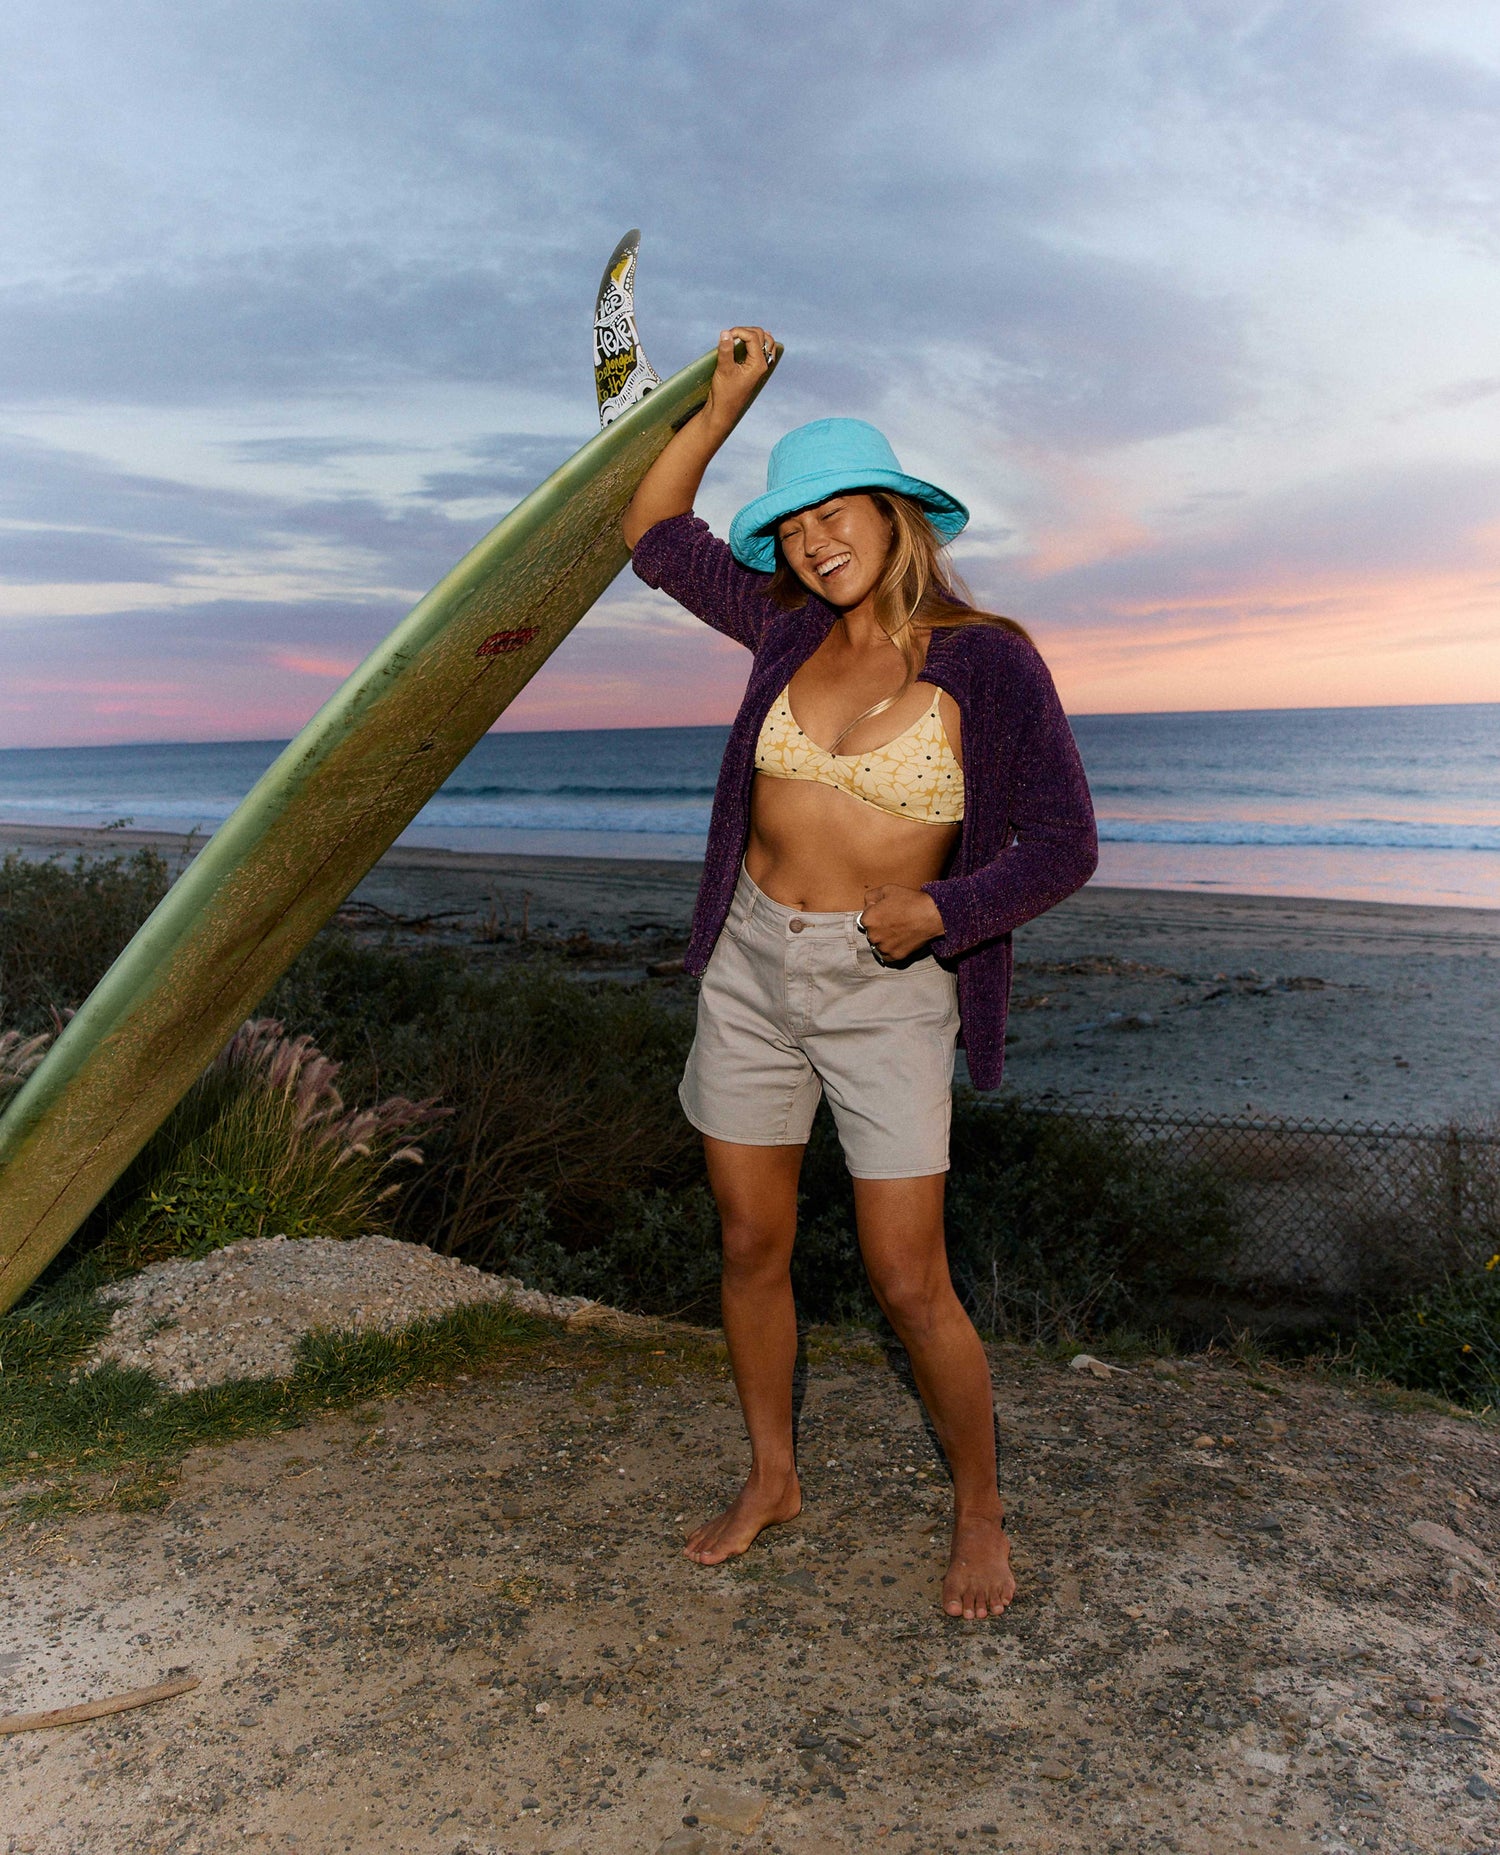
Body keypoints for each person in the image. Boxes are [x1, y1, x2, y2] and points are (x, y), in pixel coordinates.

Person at [623, 327, 1097, 1621]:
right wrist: (722, 404)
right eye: (796, 523)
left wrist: (941, 910)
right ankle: (773, 1477)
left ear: (897, 519)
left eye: (842, 513)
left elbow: (1065, 845)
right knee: (749, 1238)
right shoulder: (779, 626)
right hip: (750, 963)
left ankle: (982, 1508)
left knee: (906, 1276)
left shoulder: (988, 662)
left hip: (887, 985)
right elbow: (652, 529)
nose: (820, 539)